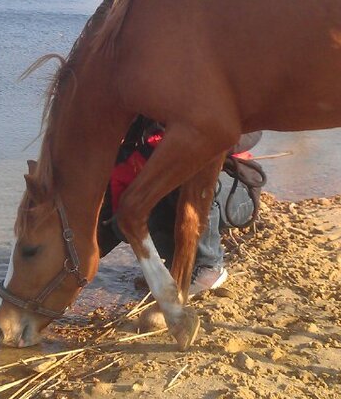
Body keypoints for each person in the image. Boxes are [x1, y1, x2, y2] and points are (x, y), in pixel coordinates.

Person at [96, 116, 264, 296]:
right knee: (123, 221)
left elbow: (254, 130)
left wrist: (193, 146)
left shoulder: (215, 102)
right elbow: (112, 208)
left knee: (194, 183)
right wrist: (85, 257)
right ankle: (176, 265)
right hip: (177, 198)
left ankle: (208, 266)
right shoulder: (139, 131)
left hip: (234, 194)